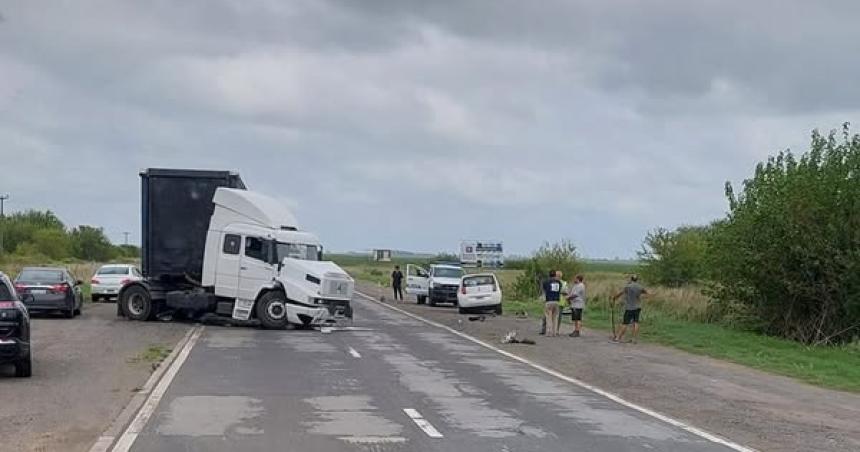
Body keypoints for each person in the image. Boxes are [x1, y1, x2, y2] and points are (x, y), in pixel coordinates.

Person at [612, 274, 648, 343]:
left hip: (629, 308)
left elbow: (621, 293)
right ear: (637, 279)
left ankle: (618, 338)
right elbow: (646, 293)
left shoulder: (628, 286)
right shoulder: (640, 287)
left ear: (631, 279)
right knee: (636, 322)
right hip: (637, 307)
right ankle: (634, 339)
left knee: (625, 323)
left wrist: (615, 298)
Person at [542, 270, 564, 337]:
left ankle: (549, 332)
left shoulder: (546, 281)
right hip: (557, 301)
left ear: (549, 275)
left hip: (549, 300)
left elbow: (544, 289)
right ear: (555, 275)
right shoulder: (559, 282)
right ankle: (554, 332)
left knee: (548, 317)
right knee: (555, 317)